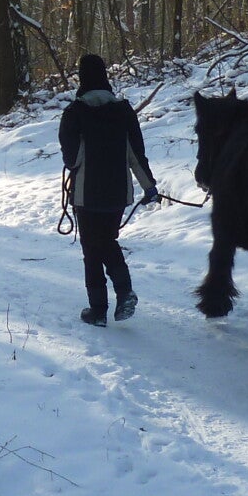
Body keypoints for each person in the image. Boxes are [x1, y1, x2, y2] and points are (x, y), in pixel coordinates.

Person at [58, 53, 159, 327]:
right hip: (117, 193)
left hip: (86, 194)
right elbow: (136, 154)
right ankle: (120, 294)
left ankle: (100, 309)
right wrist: (149, 187)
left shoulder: (73, 113)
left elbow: (71, 160)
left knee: (92, 249)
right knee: (106, 241)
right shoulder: (123, 111)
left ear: (82, 78)